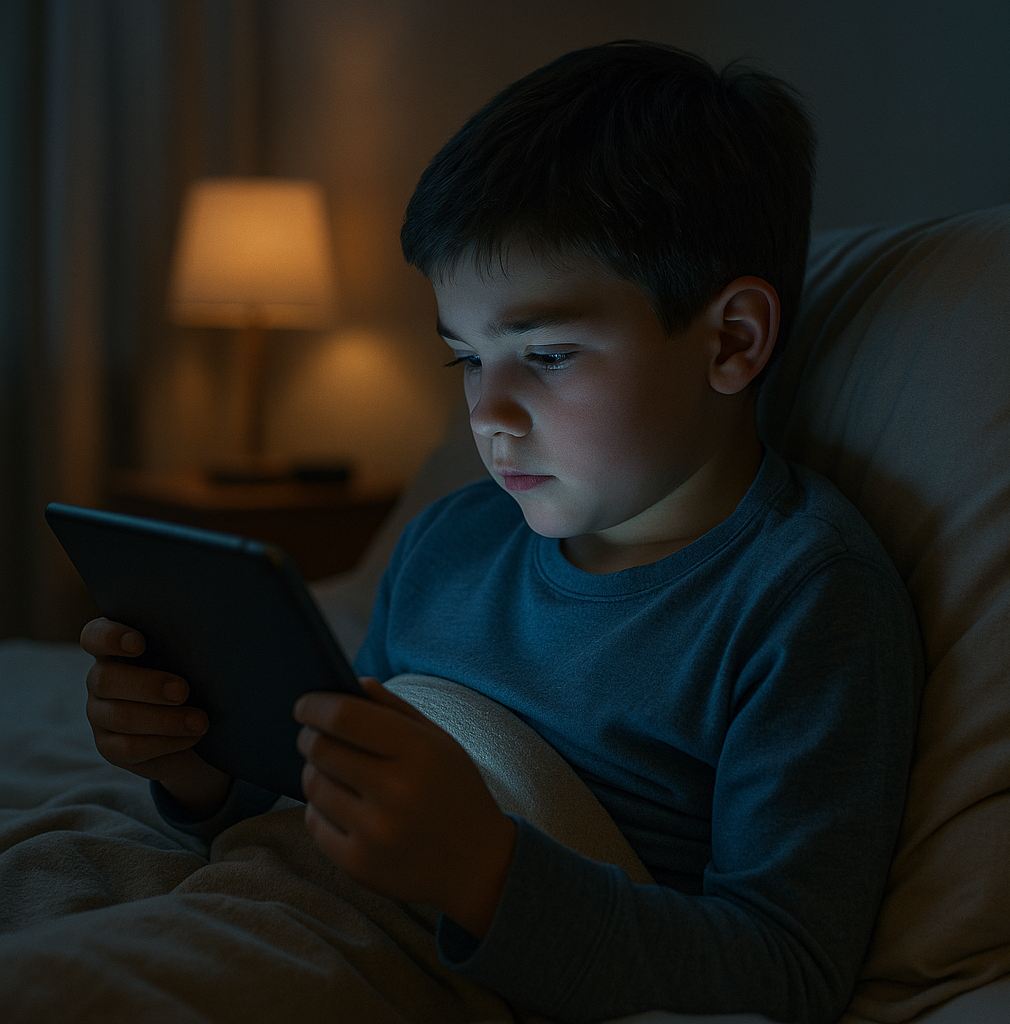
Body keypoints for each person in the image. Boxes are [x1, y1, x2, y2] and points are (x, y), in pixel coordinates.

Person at [80, 41, 923, 1023]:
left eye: (547, 354)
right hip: (275, 902)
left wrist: (481, 869)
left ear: (730, 340)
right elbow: (329, 797)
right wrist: (191, 768)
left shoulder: (806, 599)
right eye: (466, 360)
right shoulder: (450, 539)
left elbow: (784, 974)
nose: (491, 414)